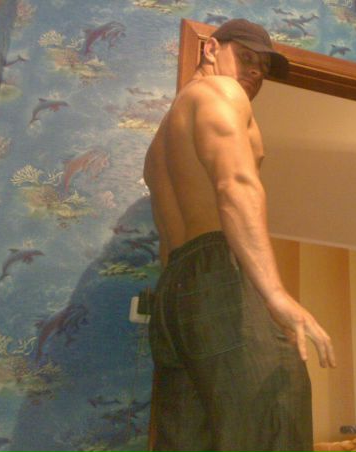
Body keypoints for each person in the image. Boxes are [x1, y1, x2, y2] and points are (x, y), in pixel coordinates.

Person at [143, 18, 337, 452]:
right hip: (220, 272)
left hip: (173, 293)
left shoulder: (160, 142)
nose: (255, 72)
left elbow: (168, 238)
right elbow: (235, 184)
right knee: (275, 411)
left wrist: (182, 298)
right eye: (246, 57)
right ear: (211, 49)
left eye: (263, 68)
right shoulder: (220, 92)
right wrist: (274, 294)